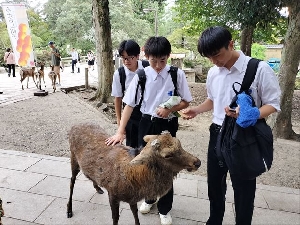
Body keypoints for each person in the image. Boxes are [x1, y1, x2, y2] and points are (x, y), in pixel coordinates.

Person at [181, 26, 281, 225]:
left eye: (217, 55)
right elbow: (213, 100)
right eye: (209, 57)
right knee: (215, 185)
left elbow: (273, 104)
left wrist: (251, 114)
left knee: (244, 188)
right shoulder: (213, 73)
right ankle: (214, 220)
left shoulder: (258, 69)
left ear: (231, 44)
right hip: (217, 133)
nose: (214, 62)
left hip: (244, 136)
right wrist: (197, 110)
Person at [106, 36, 193, 225]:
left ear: (168, 57)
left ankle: (165, 208)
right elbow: (129, 104)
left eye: (163, 60)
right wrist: (120, 131)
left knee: (167, 166)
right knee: (146, 165)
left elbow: (186, 101)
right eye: (154, 61)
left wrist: (170, 109)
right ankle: (150, 198)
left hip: (167, 126)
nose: (159, 65)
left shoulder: (176, 74)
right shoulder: (142, 75)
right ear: (146, 55)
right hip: (146, 124)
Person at [111, 39, 147, 148]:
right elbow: (118, 98)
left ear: (137, 56)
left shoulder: (147, 67)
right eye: (124, 58)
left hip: (147, 113)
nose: (127, 61)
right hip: (131, 115)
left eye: (130, 57)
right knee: (132, 148)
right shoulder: (120, 74)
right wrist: (119, 120)